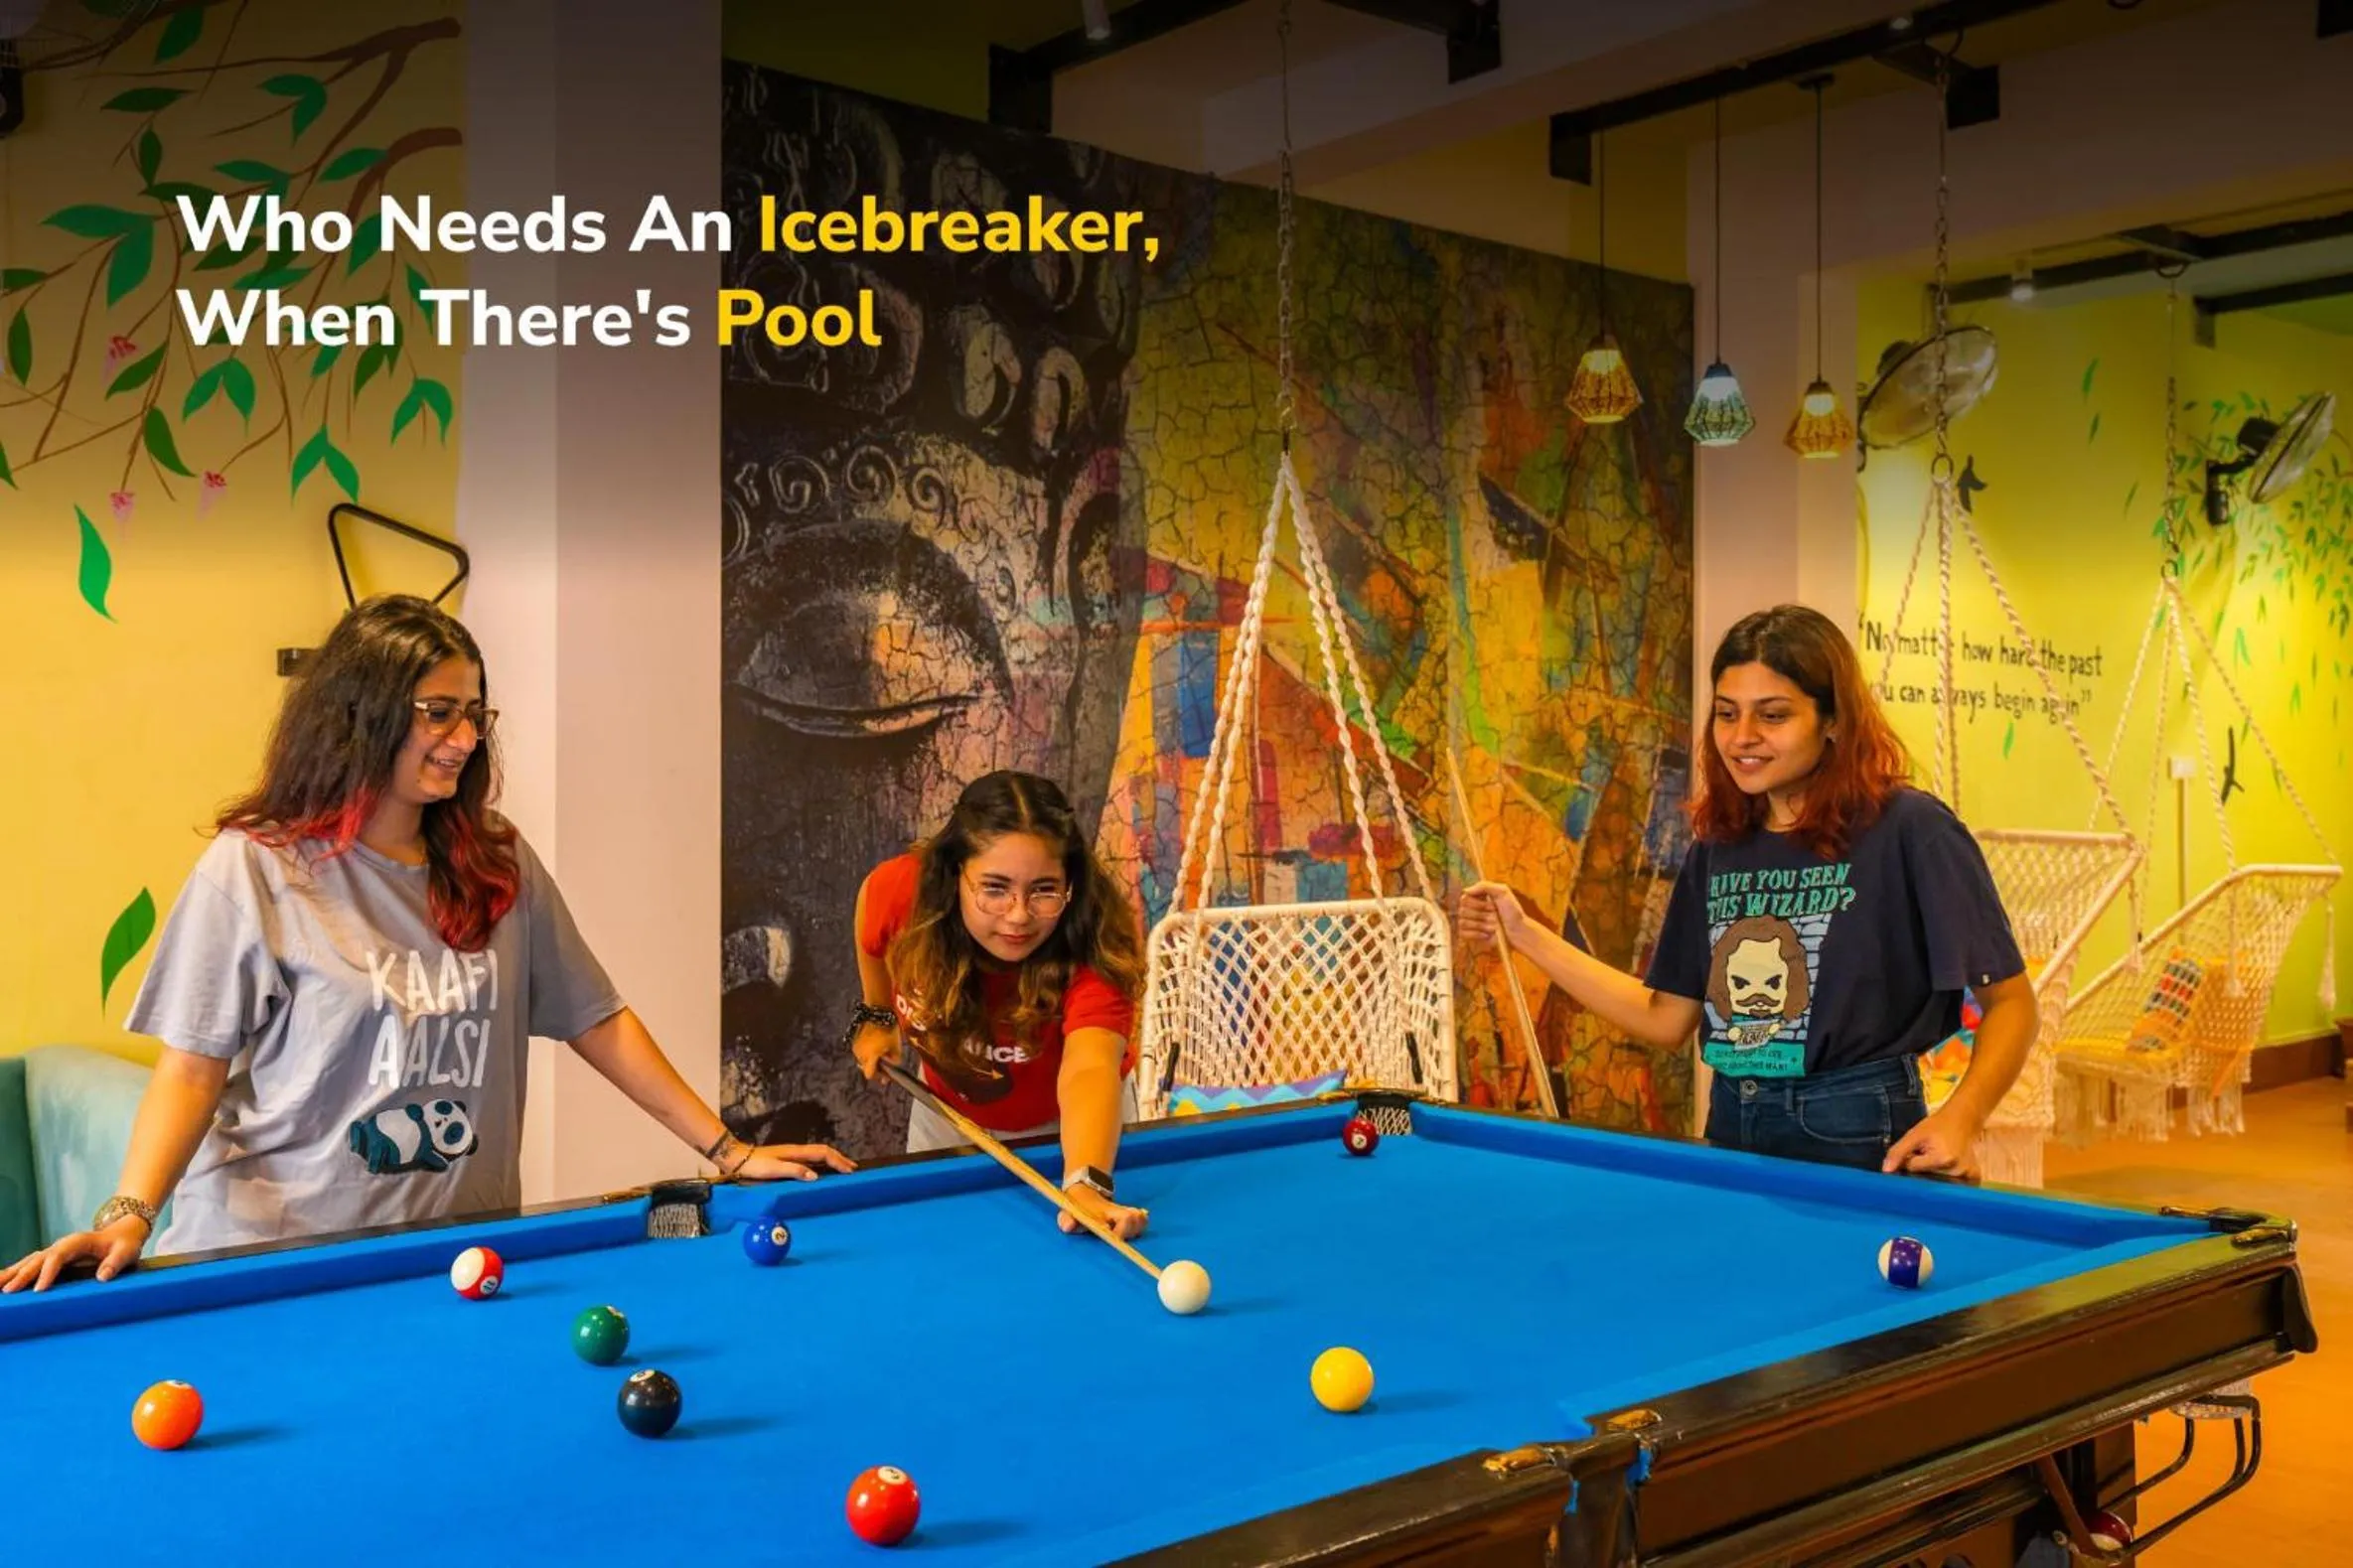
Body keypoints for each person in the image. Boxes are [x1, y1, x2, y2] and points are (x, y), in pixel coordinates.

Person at [4, 595, 851, 1295]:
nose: (465, 738)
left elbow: (596, 1017)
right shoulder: (255, 868)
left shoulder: (498, 858)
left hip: (460, 1259)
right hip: (277, 1267)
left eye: (474, 714)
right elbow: (190, 1070)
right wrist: (128, 1212)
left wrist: (727, 1148)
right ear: (360, 717)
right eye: (437, 714)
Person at [1459, 604, 2035, 1179]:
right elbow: (1665, 1018)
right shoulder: (1718, 848)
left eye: (1774, 715)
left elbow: (2011, 1004)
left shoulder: (1910, 828)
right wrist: (1523, 933)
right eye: (1727, 714)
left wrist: (1962, 1117)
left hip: (1857, 1128)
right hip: (1733, 1118)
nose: (1742, 738)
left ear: (1833, 720)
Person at [848, 771, 1148, 1238]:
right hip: (946, 1117)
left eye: (1044, 889)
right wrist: (877, 1013)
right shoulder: (901, 893)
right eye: (994, 888)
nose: (1018, 915)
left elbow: (1090, 1069)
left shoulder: (1097, 943)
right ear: (954, 877)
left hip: (1074, 1129)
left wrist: (1085, 1183)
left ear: (1070, 884)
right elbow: (871, 928)